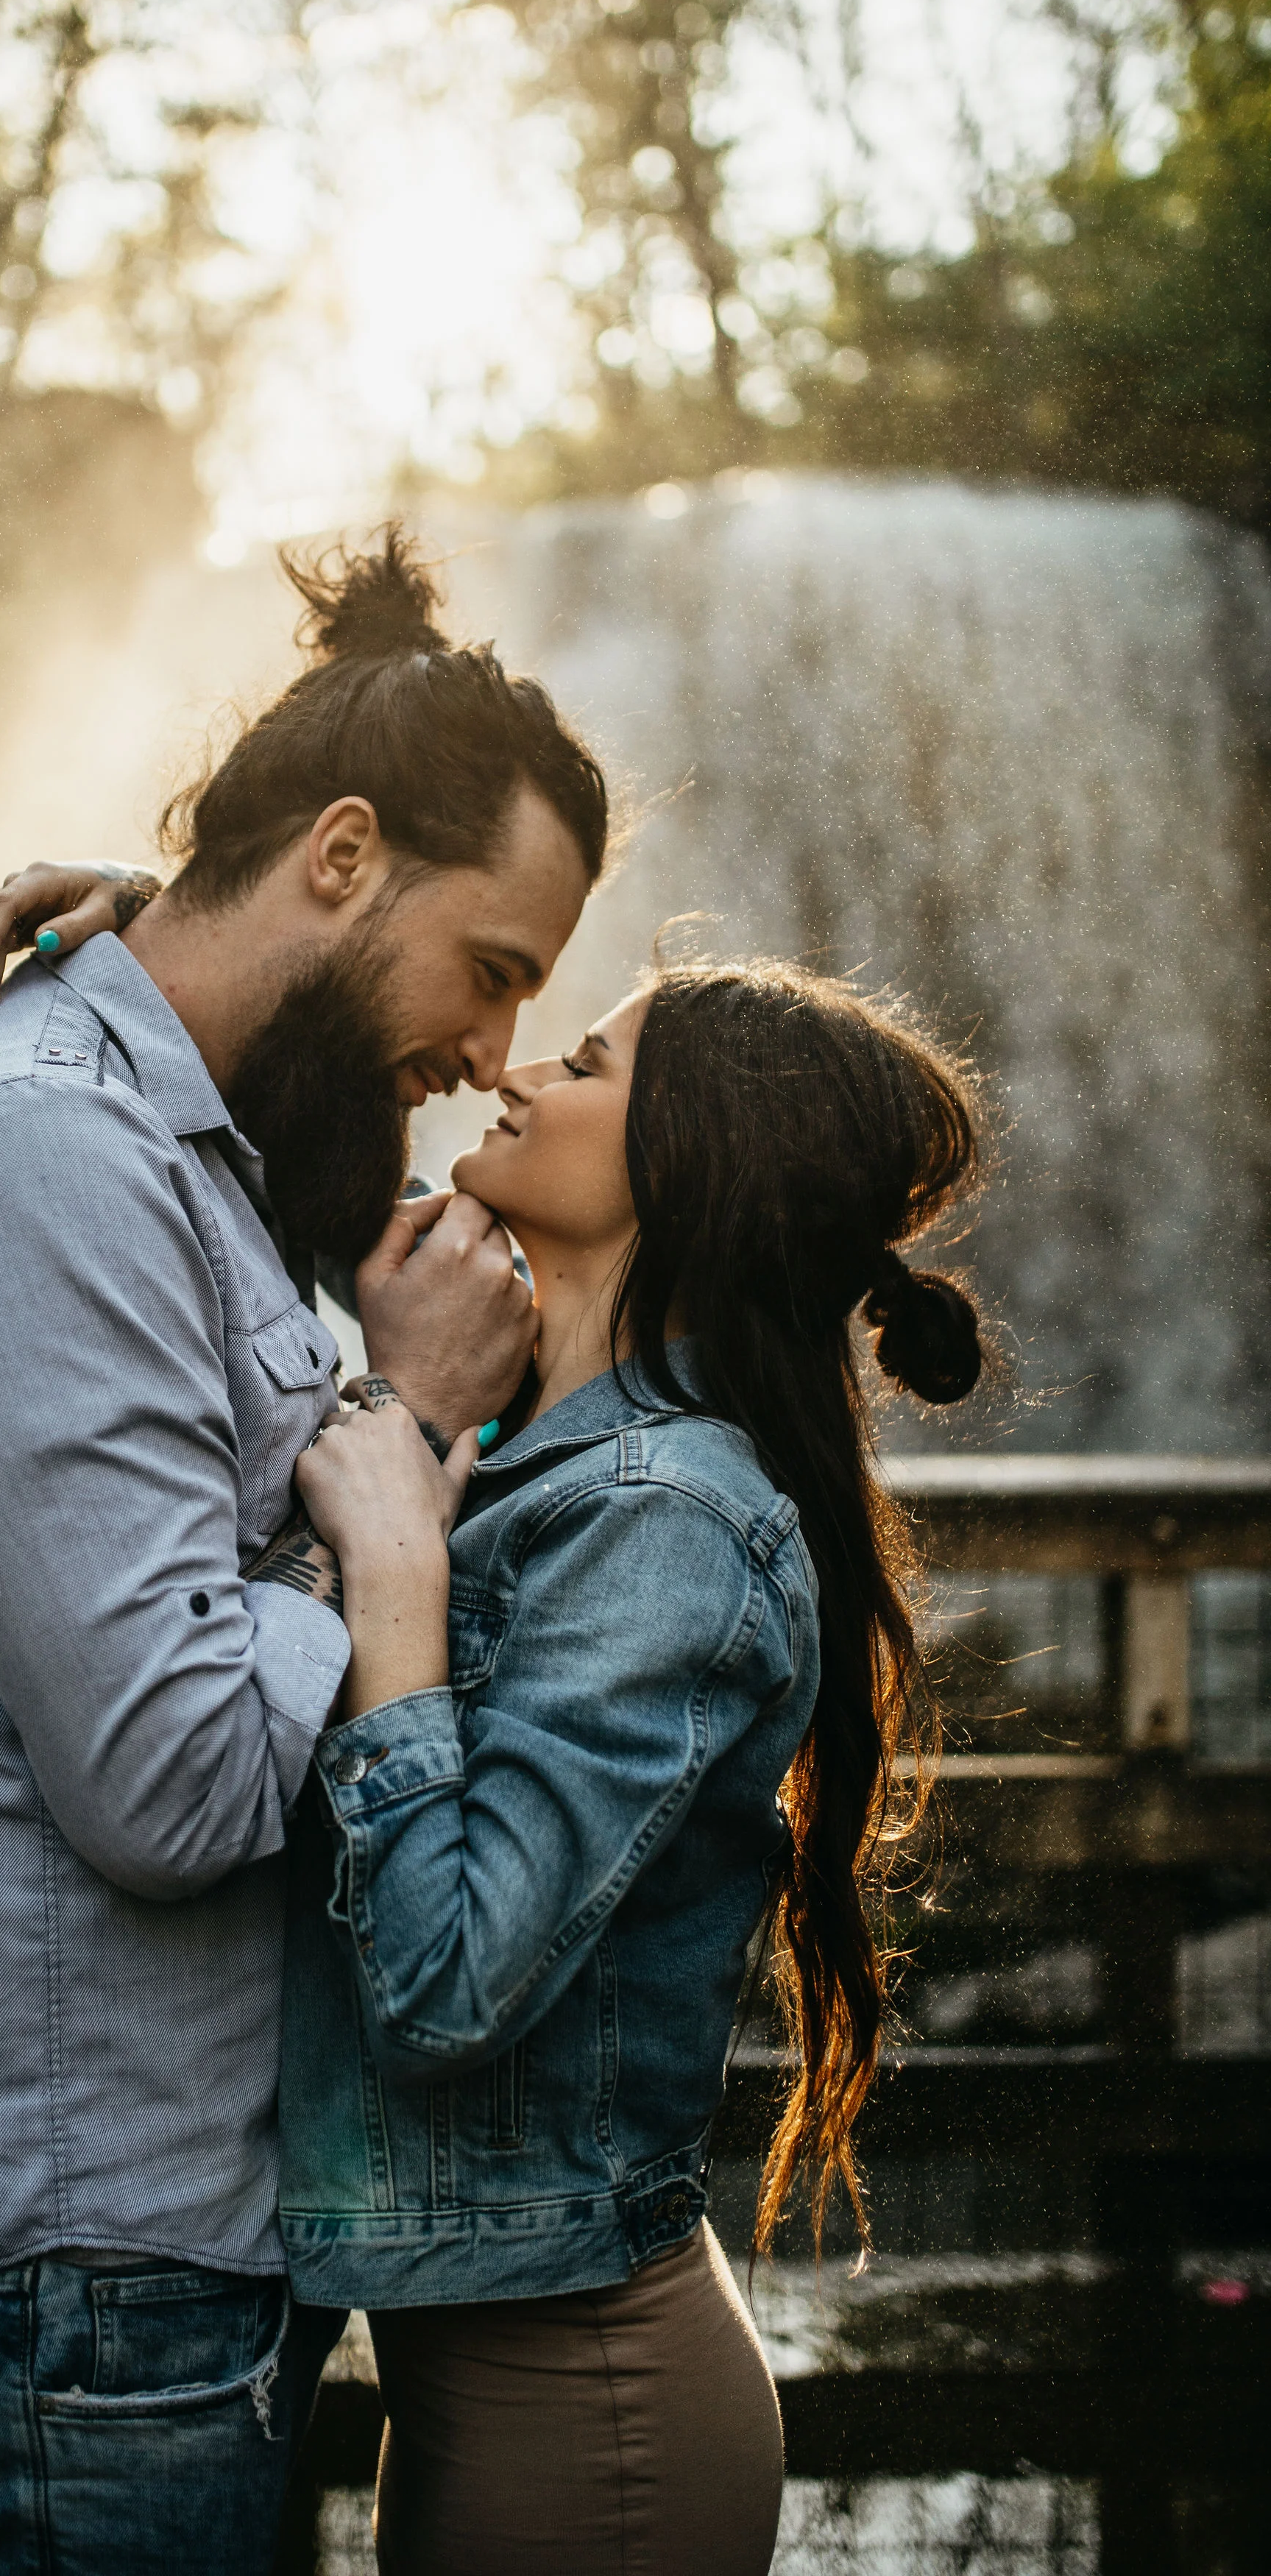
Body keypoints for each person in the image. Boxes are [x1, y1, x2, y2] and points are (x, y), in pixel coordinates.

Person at [0, 530, 609, 2574]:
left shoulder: (195, 1148)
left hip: (117, 2271)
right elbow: (177, 1781)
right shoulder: (45, 1159)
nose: (491, 1057)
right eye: (500, 973)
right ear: (351, 854)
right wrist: (416, 1429)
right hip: (41, 2281)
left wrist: (154, 920)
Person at [277, 960, 988, 2575]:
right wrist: (143, 936)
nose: (520, 1073)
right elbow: (292, 1147)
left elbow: (449, 1982)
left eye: (586, 1063)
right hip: (498, 2370)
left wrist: (394, 1578)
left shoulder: (667, 1521)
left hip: (583, 2405)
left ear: (682, 1165)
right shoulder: (537, 1427)